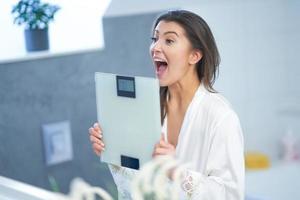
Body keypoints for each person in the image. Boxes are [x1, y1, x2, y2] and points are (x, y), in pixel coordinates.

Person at [89, 10, 244, 200]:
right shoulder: (147, 106)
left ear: (194, 56)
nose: (155, 47)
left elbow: (230, 195)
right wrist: (113, 148)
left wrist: (176, 171)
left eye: (169, 41)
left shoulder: (220, 117)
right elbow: (136, 186)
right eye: (154, 39)